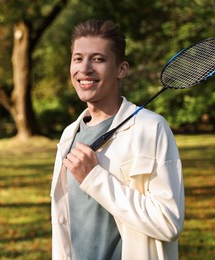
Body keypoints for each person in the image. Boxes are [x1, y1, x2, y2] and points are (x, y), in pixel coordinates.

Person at [50, 19, 184, 260]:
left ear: (121, 69)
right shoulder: (70, 135)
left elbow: (168, 223)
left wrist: (94, 178)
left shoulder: (151, 128)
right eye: (78, 58)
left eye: (98, 59)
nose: (85, 69)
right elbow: (65, 224)